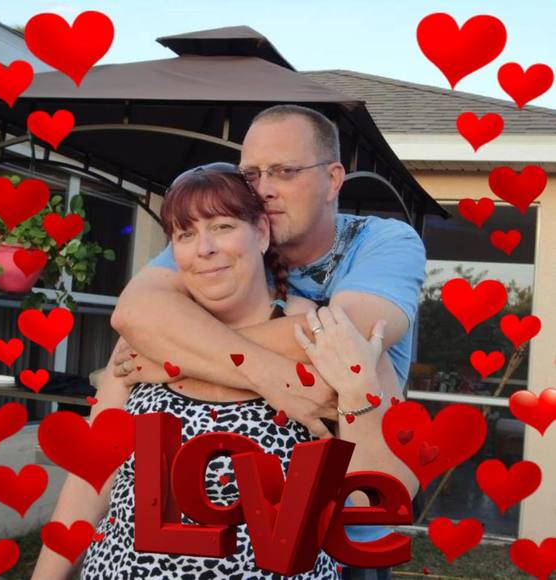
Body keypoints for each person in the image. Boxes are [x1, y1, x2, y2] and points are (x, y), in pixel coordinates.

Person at [110, 105, 426, 579]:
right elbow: (134, 313)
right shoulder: (222, 237)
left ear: (333, 179)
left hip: (353, 514)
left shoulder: (383, 241)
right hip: (231, 511)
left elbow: (343, 335)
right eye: (251, 174)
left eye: (285, 171)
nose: (264, 189)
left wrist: (170, 359)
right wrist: (265, 372)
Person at [33, 164, 389, 579]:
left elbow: (368, 499)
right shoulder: (146, 338)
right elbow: (90, 480)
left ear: (261, 232)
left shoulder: (322, 337)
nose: (204, 248)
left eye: (222, 226)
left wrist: (358, 398)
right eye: (185, 235)